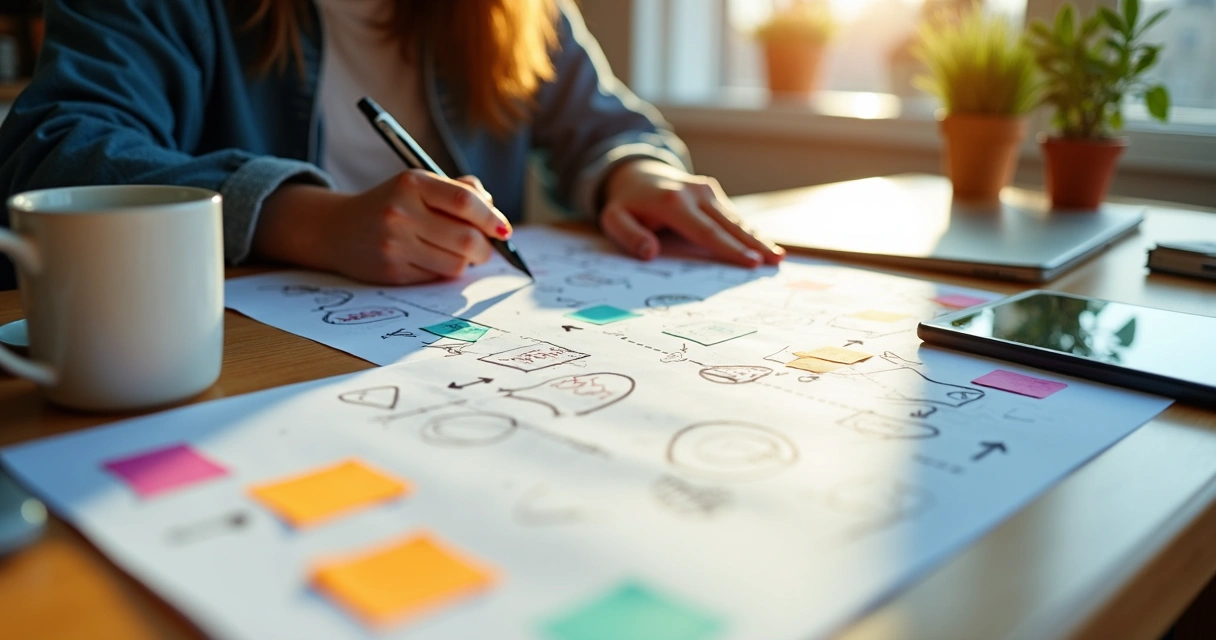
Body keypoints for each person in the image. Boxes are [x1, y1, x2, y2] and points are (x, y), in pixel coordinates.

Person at [0, 0, 784, 291]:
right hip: (234, 375)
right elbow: (50, 148)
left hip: (447, 368)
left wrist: (632, 173)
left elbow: (611, 127)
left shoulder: (521, 11)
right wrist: (305, 219)